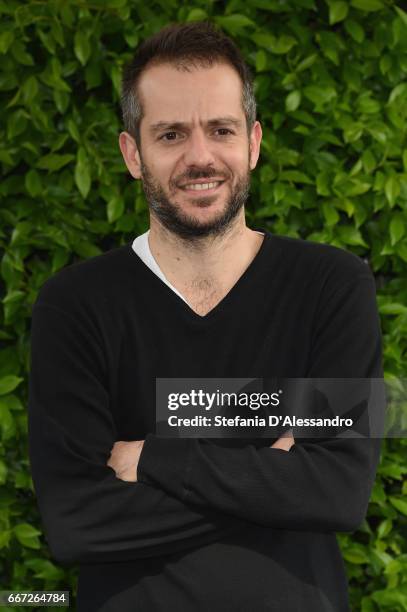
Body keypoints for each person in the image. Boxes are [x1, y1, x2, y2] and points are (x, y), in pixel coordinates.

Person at [28, 21, 384, 612]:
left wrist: (154, 458)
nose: (200, 157)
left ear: (252, 142)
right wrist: (274, 478)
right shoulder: (74, 305)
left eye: (220, 130)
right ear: (132, 154)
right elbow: (75, 524)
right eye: (170, 134)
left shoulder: (332, 286)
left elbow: (340, 492)